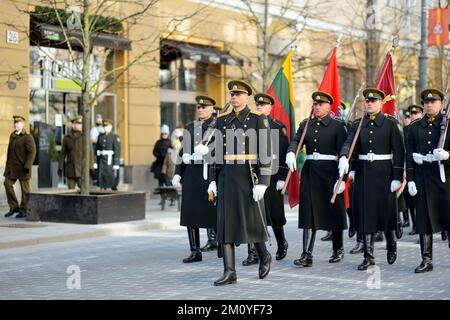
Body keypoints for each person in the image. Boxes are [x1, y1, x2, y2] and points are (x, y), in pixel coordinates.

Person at [199, 80, 272, 286]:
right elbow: (217, 153)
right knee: (225, 223)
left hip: (249, 176)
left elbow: (266, 151)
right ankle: (230, 271)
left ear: (246, 97)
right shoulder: (223, 120)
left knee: (252, 220)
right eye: (232, 94)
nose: (234, 97)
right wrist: (212, 180)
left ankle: (264, 255)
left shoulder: (258, 118)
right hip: (226, 176)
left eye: (238, 94)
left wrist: (264, 181)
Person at [339, 88, 405, 271]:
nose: (369, 103)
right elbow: (349, 143)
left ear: (381, 103)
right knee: (365, 213)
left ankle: (391, 245)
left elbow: (399, 152)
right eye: (367, 100)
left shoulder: (390, 124)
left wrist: (397, 176)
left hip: (384, 173)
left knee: (385, 212)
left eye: (373, 100)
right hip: (364, 173)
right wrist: (346, 159)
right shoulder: (358, 124)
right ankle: (369, 256)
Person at [286, 91, 348, 267]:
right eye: (315, 104)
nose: (317, 107)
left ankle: (338, 248)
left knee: (334, 211)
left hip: (330, 172)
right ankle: (307, 254)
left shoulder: (337, 126)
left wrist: (341, 179)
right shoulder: (306, 124)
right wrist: (291, 152)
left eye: (321, 104)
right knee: (308, 213)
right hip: (311, 172)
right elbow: (296, 141)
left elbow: (343, 152)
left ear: (329, 107)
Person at [241, 93, 289, 266]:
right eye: (258, 105)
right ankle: (253, 252)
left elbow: (282, 154)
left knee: (275, 214)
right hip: (254, 175)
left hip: (273, 174)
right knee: (254, 215)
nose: (260, 107)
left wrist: (282, 177)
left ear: (270, 107)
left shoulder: (277, 126)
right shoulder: (251, 124)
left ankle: (281, 242)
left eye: (263, 105)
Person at [405, 89, 450, 273]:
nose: (429, 105)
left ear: (440, 104)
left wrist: (448, 156)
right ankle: (426, 259)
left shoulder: (447, 125)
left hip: (444, 179)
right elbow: (409, 155)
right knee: (423, 220)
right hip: (423, 177)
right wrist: (411, 179)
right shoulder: (414, 128)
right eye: (426, 102)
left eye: (433, 102)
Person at [172, 95, 218, 263]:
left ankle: (218, 242)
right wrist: (178, 172)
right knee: (190, 212)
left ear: (212, 109)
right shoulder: (190, 127)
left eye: (205, 107)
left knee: (212, 211)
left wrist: (208, 153)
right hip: (191, 173)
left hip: (208, 172)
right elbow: (182, 151)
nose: (201, 109)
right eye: (199, 107)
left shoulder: (217, 126)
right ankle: (195, 250)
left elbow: (222, 151)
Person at [4, 115, 37, 219]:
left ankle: (24, 209)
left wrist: (28, 165)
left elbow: (32, 152)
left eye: (18, 123)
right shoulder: (12, 136)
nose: (15, 124)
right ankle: (14, 207)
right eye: (14, 123)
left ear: (23, 124)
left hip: (23, 168)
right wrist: (7, 168)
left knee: (25, 191)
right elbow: (9, 153)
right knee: (7, 184)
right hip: (12, 169)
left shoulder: (28, 137)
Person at [58, 115, 93, 189]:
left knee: (84, 192)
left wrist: (91, 167)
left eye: (81, 123)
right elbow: (63, 154)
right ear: (73, 125)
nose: (80, 125)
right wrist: (60, 167)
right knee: (70, 193)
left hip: (82, 169)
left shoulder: (85, 137)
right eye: (78, 123)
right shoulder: (67, 138)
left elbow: (91, 153)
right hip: (71, 169)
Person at [96, 119, 121, 190]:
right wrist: (96, 161)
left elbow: (117, 151)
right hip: (101, 160)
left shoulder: (114, 137)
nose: (105, 128)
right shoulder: (100, 136)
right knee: (102, 176)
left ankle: (112, 188)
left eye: (107, 126)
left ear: (111, 127)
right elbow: (97, 150)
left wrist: (116, 163)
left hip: (110, 160)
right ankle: (103, 188)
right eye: (104, 126)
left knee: (110, 177)